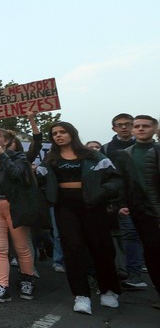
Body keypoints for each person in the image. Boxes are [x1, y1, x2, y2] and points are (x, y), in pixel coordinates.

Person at [36, 121, 123, 315]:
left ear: (72, 134)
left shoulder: (93, 155)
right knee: (73, 249)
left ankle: (109, 290)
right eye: (55, 133)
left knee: (101, 248)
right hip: (65, 208)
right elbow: (41, 181)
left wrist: (102, 193)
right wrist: (49, 195)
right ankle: (81, 295)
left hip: (93, 207)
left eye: (63, 132)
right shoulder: (50, 159)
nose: (58, 135)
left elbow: (115, 179)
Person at [0, 128, 47, 302]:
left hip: (14, 206)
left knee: (22, 248)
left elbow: (17, 175)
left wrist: (2, 156)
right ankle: (3, 286)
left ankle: (27, 280)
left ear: (5, 142)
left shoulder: (17, 157)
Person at [110, 115, 160, 310]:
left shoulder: (157, 150)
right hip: (141, 212)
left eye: (145, 126)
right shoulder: (125, 154)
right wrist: (121, 203)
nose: (140, 129)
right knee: (153, 252)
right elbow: (120, 182)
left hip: (156, 208)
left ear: (155, 129)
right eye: (137, 126)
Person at [100, 113, 145, 289]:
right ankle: (132, 273)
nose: (124, 127)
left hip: (148, 199)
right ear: (114, 128)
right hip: (122, 201)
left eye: (128, 124)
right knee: (129, 235)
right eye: (120, 125)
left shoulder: (146, 146)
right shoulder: (106, 149)